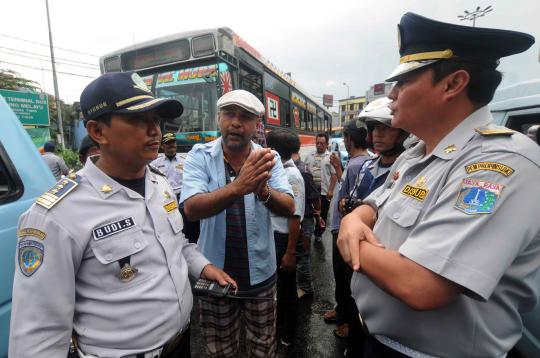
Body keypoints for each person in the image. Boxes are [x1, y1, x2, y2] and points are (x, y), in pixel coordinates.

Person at [337, 12, 540, 357]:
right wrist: (355, 219)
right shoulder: (417, 151)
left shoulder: (501, 163)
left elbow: (421, 285)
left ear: (453, 84)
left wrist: (349, 239)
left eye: (402, 84)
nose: (392, 97)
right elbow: (374, 204)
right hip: (380, 342)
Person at [9, 72, 234, 358]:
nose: (155, 131)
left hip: (181, 344)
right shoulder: (55, 215)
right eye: (139, 120)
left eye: (156, 120)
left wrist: (201, 266)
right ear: (98, 131)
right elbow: (38, 337)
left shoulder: (159, 184)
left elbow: (175, 245)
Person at [180, 89, 294, 358]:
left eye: (245, 117)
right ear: (219, 118)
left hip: (261, 277)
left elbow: (289, 206)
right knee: (220, 351)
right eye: (229, 114)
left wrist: (262, 190)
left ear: (256, 125)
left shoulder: (269, 158)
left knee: (263, 349)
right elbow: (191, 209)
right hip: (214, 276)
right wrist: (238, 187)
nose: (235, 122)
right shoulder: (200, 155)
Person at [323, 120, 370, 353]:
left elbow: (348, 200)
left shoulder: (356, 165)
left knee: (344, 278)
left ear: (350, 140)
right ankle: (342, 312)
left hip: (343, 229)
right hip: (346, 227)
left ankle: (346, 322)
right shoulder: (363, 162)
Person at [266, 128, 305, 356]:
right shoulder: (279, 170)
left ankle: (288, 338)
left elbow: (296, 217)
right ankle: (279, 330)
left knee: (288, 291)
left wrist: (290, 252)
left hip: (283, 240)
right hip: (274, 239)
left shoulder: (292, 176)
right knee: (278, 289)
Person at [151, 132, 200, 243]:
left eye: (173, 143)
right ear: (162, 146)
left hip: (183, 198)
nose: (171, 146)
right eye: (168, 144)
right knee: (170, 225)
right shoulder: (155, 164)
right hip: (165, 199)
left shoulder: (186, 161)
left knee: (189, 226)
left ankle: (190, 244)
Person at [292, 151, 320, 299]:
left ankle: (306, 287)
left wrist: (318, 214)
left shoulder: (302, 171)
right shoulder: (299, 168)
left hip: (305, 218)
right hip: (299, 217)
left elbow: (315, 196)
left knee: (303, 254)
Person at [304, 133, 337, 242]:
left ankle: (318, 233)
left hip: (324, 191)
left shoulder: (330, 157)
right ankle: (308, 230)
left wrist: (331, 190)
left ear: (327, 144)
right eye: (317, 143)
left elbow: (334, 175)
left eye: (322, 143)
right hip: (310, 191)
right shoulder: (309, 156)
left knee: (322, 213)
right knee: (309, 211)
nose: (319, 145)